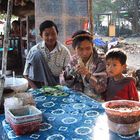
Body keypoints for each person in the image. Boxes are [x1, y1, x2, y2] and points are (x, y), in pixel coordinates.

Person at [23, 20, 71, 89]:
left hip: (56, 87)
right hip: (38, 87)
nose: (50, 37)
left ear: (57, 33)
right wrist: (36, 89)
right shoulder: (34, 50)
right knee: (37, 54)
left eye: (53, 34)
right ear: (41, 36)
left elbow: (68, 74)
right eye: (47, 35)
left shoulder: (64, 51)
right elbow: (26, 73)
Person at [64, 30, 107, 101]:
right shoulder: (74, 60)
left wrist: (88, 74)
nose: (84, 53)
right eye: (80, 49)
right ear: (74, 48)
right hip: (78, 98)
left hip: (96, 100)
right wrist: (72, 72)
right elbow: (66, 83)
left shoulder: (101, 61)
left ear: (92, 46)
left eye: (88, 48)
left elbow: (101, 88)